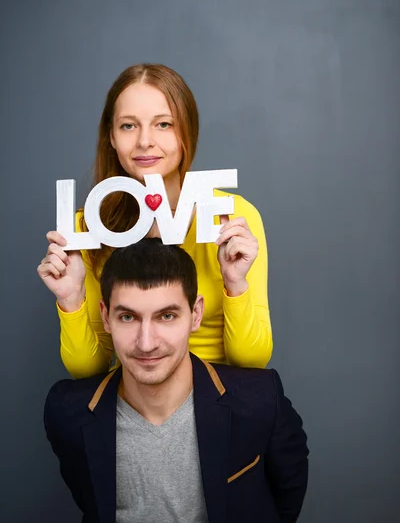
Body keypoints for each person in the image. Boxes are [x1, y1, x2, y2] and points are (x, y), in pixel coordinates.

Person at [44, 239, 308, 523]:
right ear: (106, 317)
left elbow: (286, 497)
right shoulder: (67, 412)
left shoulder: (260, 401)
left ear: (195, 314)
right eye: (128, 317)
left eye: (166, 316)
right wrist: (70, 300)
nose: (146, 343)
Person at [37, 64, 273, 378]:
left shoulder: (232, 216)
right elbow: (87, 369)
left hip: (219, 401)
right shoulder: (90, 225)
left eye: (163, 124)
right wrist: (71, 300)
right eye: (128, 126)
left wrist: (236, 284)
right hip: (136, 401)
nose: (145, 141)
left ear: (187, 131)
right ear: (111, 136)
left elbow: (252, 361)